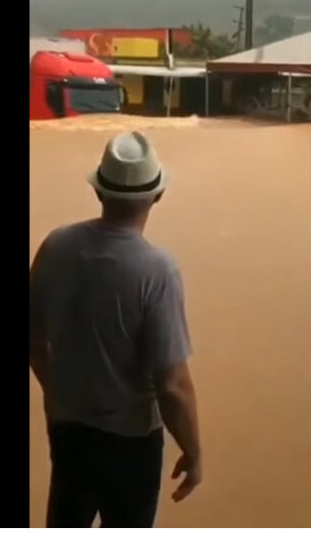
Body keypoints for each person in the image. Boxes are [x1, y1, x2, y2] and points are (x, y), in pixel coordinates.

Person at [29, 131, 201, 527]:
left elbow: (33, 339)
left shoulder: (56, 246)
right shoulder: (157, 271)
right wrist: (193, 451)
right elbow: (172, 384)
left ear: (99, 192)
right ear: (157, 196)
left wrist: (57, 391)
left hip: (67, 428)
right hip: (132, 443)